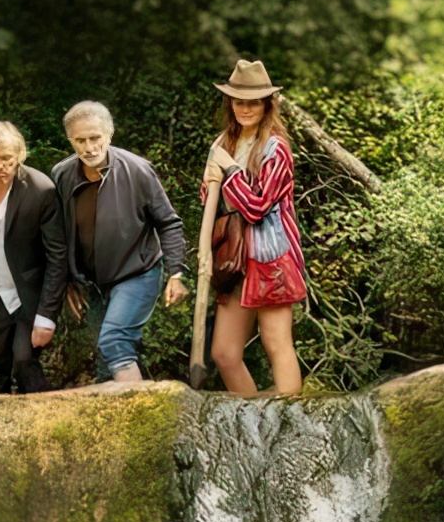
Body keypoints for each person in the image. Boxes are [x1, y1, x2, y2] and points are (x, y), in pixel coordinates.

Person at [52, 101, 188, 383]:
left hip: (137, 272)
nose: (89, 147)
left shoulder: (137, 170)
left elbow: (168, 222)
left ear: (109, 135)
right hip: (91, 282)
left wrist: (176, 272)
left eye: (95, 138)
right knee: (104, 359)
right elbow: (59, 233)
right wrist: (67, 279)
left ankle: (141, 420)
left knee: (114, 341)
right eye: (80, 140)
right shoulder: (62, 175)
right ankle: (114, 424)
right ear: (70, 141)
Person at [204, 60, 307, 397]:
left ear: (267, 104)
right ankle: (255, 431)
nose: (245, 109)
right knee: (224, 352)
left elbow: (257, 207)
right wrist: (210, 182)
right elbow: (214, 202)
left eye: (253, 102)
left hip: (270, 256)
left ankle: (291, 424)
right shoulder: (224, 143)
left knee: (277, 343)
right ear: (230, 104)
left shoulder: (277, 149)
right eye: (238, 101)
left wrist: (230, 171)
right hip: (233, 256)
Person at [0, 121, 67, 396]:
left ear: (20, 154)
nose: (0, 166)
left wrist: (47, 315)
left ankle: (41, 428)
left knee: (24, 362)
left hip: (28, 294)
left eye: (7, 158)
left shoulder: (41, 190)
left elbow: (58, 255)